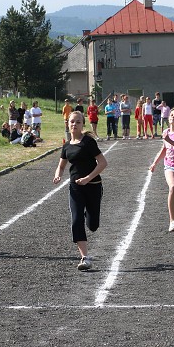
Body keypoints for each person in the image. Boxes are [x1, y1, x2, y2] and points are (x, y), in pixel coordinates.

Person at [53, 111, 108, 271]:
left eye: (77, 122)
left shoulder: (88, 142)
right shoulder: (66, 146)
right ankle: (85, 258)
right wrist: (58, 175)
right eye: (72, 122)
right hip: (75, 188)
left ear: (82, 124)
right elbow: (62, 165)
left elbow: (103, 163)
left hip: (93, 186)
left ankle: (88, 215)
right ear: (67, 124)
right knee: (76, 221)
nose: (74, 124)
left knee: (93, 225)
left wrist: (87, 178)